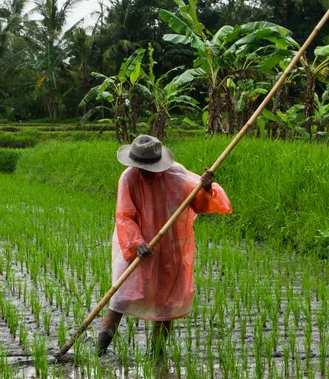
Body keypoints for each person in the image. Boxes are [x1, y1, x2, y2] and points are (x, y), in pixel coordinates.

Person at [96, 134, 231, 360]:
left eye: (147, 168)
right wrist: (137, 243)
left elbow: (198, 204)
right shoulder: (128, 178)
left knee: (167, 302)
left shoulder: (176, 175)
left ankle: (155, 354)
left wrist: (206, 188)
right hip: (135, 244)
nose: (143, 172)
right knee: (120, 297)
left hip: (171, 245)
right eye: (139, 167)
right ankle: (99, 352)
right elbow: (124, 216)